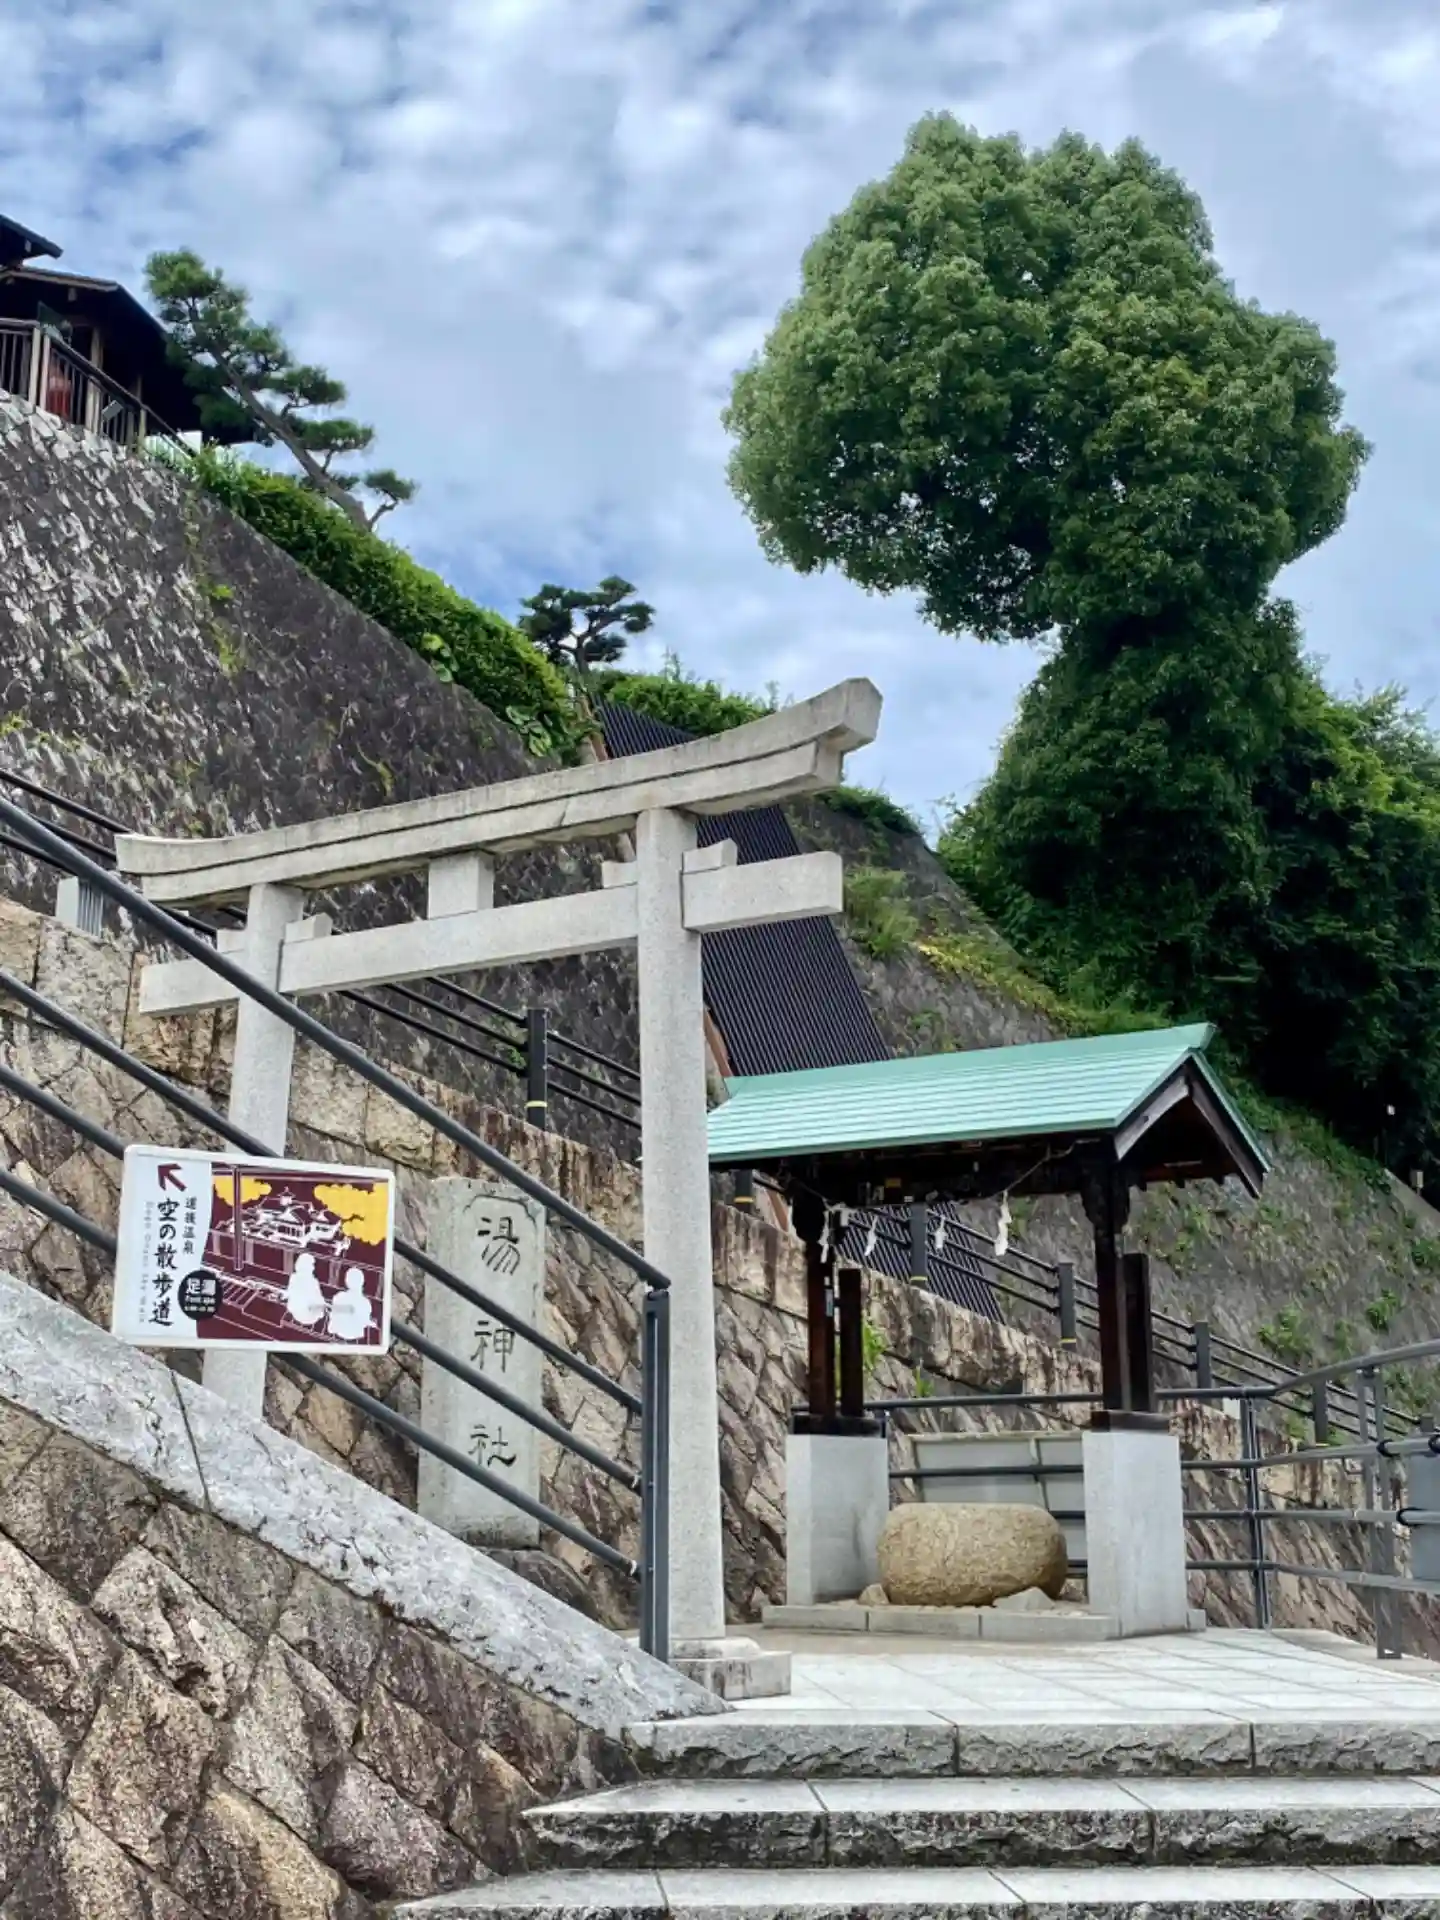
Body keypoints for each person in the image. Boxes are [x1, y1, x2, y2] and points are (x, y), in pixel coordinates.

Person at [326, 1266, 374, 1342]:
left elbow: (334, 1315)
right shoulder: (366, 1302)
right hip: (356, 1334)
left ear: (346, 1281)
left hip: (340, 1332)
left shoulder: (339, 1296)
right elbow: (365, 1322)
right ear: (362, 1282)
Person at [284, 1251, 326, 1327]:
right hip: (310, 1317)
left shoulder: (294, 1277)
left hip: (297, 1314)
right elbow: (318, 1297)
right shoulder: (313, 1281)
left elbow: (289, 1292)